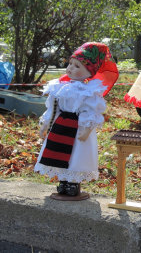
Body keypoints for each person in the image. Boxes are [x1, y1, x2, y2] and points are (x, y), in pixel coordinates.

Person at [34, 42, 119, 199]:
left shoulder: (89, 91)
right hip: (59, 126)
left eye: (77, 66)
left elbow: (91, 110)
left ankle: (73, 183)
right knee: (57, 153)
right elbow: (53, 108)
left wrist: (87, 128)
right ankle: (63, 181)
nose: (71, 68)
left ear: (89, 72)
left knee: (76, 156)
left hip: (78, 129)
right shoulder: (60, 86)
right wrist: (45, 124)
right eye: (70, 64)